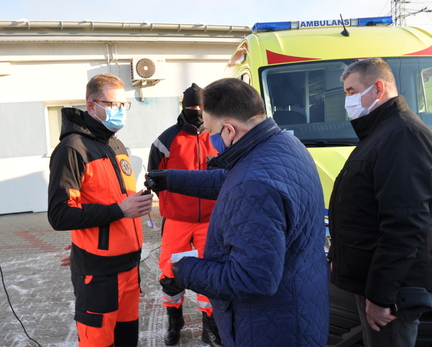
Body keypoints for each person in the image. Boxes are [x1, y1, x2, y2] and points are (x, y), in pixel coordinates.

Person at [146, 78, 329, 347]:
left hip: (267, 329)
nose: (209, 138)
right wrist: (171, 179)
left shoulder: (254, 185)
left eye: (211, 131)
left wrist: (184, 269)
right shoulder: (284, 146)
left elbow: (251, 279)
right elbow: (230, 180)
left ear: (229, 130)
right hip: (297, 308)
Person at [328, 58, 432, 347]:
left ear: (377, 88)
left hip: (391, 296)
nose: (347, 100)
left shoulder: (402, 135)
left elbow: (405, 225)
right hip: (374, 284)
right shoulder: (382, 131)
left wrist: (380, 296)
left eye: (351, 92)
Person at [48, 73, 153, 347]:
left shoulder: (115, 143)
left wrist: (132, 204)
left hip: (130, 266)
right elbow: (59, 215)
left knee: (126, 340)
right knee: (98, 342)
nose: (119, 112)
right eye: (112, 104)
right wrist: (120, 211)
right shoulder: (71, 149)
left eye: (123, 106)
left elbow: (109, 198)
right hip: (99, 275)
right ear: (91, 105)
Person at [147, 83, 222, 346]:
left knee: (211, 275)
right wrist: (170, 205)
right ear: (183, 107)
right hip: (177, 221)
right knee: (170, 274)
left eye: (202, 107)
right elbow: (153, 177)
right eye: (192, 107)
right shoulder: (166, 140)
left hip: (211, 222)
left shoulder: (219, 136)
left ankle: (210, 327)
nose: (198, 112)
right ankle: (174, 320)